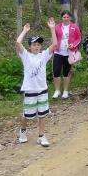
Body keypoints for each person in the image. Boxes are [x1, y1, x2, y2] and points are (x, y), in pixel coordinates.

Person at [15, 19, 58, 147]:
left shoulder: (44, 55)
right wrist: (24, 31)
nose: (37, 46)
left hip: (42, 89)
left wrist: (52, 28)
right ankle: (23, 132)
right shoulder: (26, 56)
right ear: (30, 47)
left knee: (43, 114)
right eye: (34, 44)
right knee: (27, 114)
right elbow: (17, 43)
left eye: (38, 44)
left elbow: (55, 44)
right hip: (29, 90)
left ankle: (41, 136)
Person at [53, 10, 81, 99]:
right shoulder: (57, 27)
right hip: (58, 52)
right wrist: (52, 50)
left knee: (66, 72)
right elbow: (53, 38)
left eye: (67, 17)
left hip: (69, 53)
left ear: (70, 18)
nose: (65, 19)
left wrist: (73, 45)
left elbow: (78, 38)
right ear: (61, 18)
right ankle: (57, 90)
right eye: (64, 17)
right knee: (56, 71)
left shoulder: (74, 27)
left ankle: (65, 90)